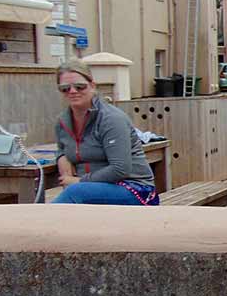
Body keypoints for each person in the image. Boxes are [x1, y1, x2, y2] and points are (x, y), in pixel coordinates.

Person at [53, 60, 158, 205]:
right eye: (65, 88)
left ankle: (38, 226)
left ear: (92, 86)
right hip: (91, 188)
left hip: (135, 188)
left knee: (74, 193)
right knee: (73, 194)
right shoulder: (63, 122)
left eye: (80, 86)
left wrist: (79, 181)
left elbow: (120, 169)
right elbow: (62, 149)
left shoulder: (111, 119)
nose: (72, 91)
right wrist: (62, 159)